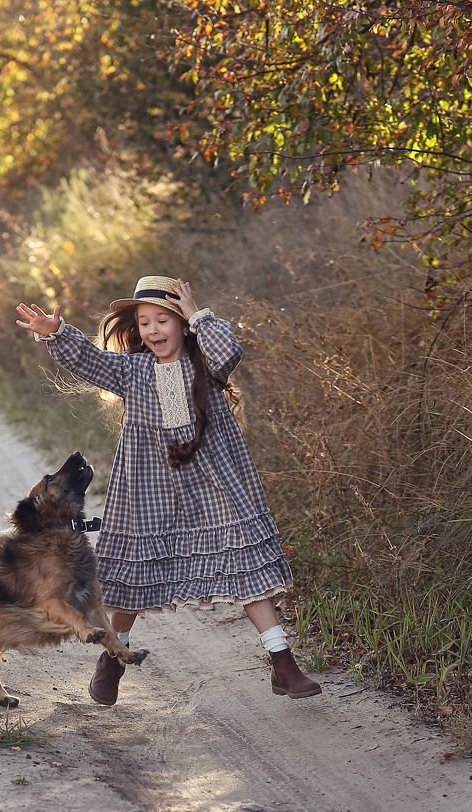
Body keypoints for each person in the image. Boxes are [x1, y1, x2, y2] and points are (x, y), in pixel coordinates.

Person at [16, 275, 321, 705]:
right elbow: (89, 361)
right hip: (148, 490)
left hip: (213, 486)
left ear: (181, 324)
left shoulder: (205, 366)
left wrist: (198, 313)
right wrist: (57, 334)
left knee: (246, 566)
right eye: (144, 323)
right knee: (133, 579)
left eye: (164, 320)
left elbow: (229, 352)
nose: (154, 331)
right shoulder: (133, 371)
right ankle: (113, 661)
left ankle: (284, 664)